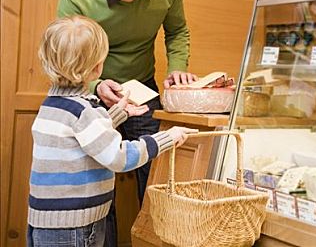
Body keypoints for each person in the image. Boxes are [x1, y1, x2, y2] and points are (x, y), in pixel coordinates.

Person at [56, 0, 198, 245]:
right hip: (88, 93)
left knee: (158, 175)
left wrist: (177, 70)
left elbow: (177, 32)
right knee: (98, 182)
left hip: (142, 90)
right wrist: (94, 83)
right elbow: (64, 58)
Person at [28, 15, 198, 247]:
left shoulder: (53, 104)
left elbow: (84, 138)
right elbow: (118, 157)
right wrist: (165, 139)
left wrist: (120, 113)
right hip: (77, 226)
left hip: (46, 222)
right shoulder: (85, 112)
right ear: (97, 67)